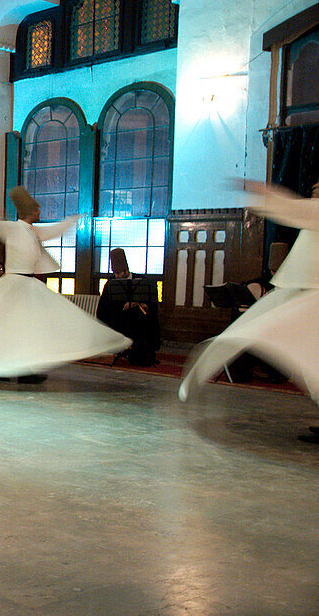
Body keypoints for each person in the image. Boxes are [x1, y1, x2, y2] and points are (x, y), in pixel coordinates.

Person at [0, 186, 129, 382]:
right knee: (10, 326)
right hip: (14, 283)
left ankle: (22, 369)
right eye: (36, 208)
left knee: (28, 327)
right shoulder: (13, 228)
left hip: (27, 283)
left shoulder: (33, 231)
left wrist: (73, 220)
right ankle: (4, 368)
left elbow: (54, 231)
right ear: (29, 211)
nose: (39, 211)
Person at [180, 180, 319, 445]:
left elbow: (291, 209)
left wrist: (258, 190)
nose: (314, 186)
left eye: (318, 185)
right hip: (305, 293)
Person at [96, 248, 160, 366]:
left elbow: (151, 299)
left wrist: (145, 305)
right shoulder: (111, 284)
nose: (118, 276)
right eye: (116, 273)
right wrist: (123, 306)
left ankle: (143, 354)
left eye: (120, 273)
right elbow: (103, 308)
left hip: (138, 318)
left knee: (147, 321)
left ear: (126, 270)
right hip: (119, 318)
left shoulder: (141, 280)